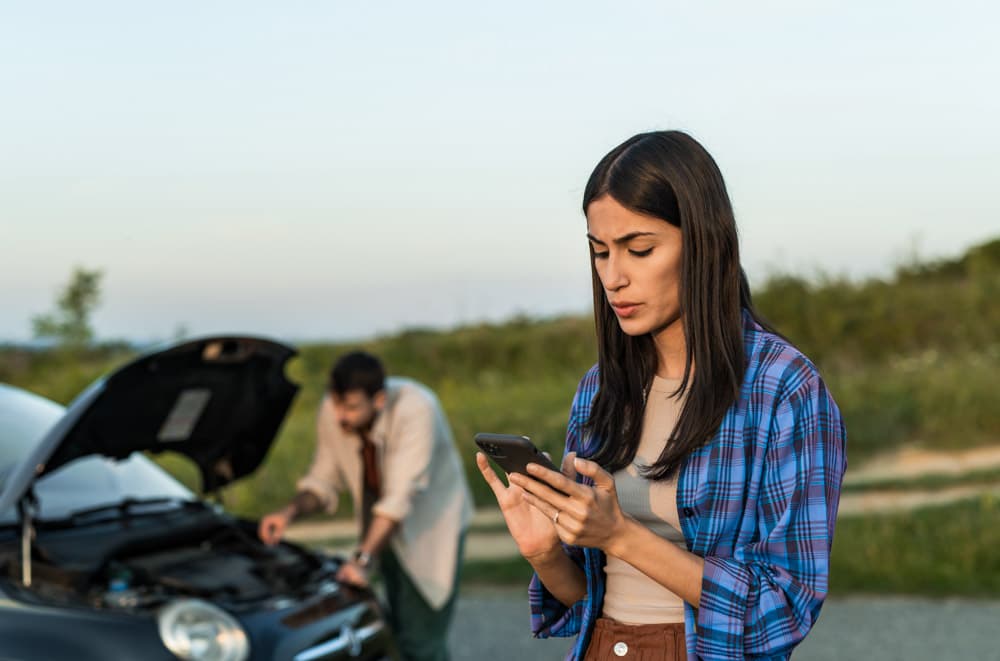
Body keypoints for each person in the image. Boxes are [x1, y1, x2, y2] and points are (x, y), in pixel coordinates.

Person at [477, 131, 847, 660]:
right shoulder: (601, 388)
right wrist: (544, 552)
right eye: (600, 252)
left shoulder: (782, 388)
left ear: (702, 241)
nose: (614, 277)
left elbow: (785, 606)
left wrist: (621, 536)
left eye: (640, 249)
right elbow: (588, 601)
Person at [260, 351, 473, 661]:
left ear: (379, 400)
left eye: (350, 407)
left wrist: (361, 559)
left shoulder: (417, 408)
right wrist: (288, 512)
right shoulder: (335, 412)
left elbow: (400, 497)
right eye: (335, 404)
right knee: (390, 633)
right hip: (380, 529)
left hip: (431, 530)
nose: (340, 417)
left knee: (422, 642)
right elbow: (323, 478)